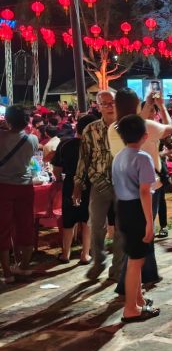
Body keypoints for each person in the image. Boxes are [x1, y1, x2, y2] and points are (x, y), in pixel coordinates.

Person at [111, 114, 160, 323]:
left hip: (122, 208)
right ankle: (130, 308)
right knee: (135, 261)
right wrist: (150, 222)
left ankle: (138, 300)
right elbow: (144, 191)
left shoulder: (118, 156)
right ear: (145, 135)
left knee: (134, 258)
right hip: (136, 209)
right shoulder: (142, 157)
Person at [73, 90, 124, 281]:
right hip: (99, 182)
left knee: (122, 227)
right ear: (98, 106)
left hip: (123, 182)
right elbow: (84, 157)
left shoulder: (125, 126)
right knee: (95, 225)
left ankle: (118, 267)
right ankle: (98, 261)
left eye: (113, 102)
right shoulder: (91, 129)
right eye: (105, 103)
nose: (110, 106)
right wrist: (78, 183)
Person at [0, 105, 39, 284]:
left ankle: (7, 273)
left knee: (3, 229)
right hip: (25, 186)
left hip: (3, 186)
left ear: (7, 120)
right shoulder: (33, 139)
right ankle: (24, 266)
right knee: (25, 225)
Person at [52, 114, 97, 264]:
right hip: (90, 185)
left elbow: (57, 170)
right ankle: (85, 254)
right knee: (87, 219)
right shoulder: (95, 146)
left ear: (77, 128)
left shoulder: (64, 144)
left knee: (68, 220)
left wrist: (59, 180)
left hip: (70, 184)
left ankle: (66, 254)